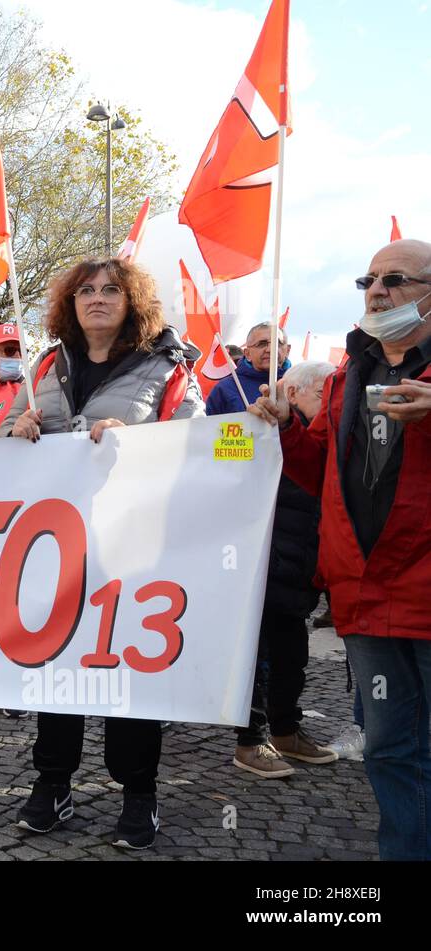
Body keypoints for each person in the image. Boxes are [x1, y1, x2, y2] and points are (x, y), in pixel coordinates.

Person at [0, 257, 204, 850]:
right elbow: (6, 432)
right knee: (58, 665)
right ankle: (52, 782)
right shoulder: (46, 364)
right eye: (86, 290)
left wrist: (139, 440)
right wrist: (19, 428)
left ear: (132, 300)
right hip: (57, 548)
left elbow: (193, 443)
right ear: (70, 303)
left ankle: (139, 792)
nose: (97, 298)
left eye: (111, 289)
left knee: (125, 672)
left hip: (131, 549)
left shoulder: (168, 369)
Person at [249, 238, 431, 861]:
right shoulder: (347, 375)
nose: (378, 290)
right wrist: (287, 429)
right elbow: (321, 467)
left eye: (396, 279)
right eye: (370, 280)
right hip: (367, 602)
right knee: (387, 748)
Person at [217, 360, 338, 779]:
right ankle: (251, 741)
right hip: (264, 563)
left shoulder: (328, 438)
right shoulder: (261, 429)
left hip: (301, 565)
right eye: (324, 395)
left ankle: (287, 730)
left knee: (292, 656)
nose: (331, 403)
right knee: (256, 656)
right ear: (292, 394)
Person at [205, 322, 290, 415]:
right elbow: (211, 427)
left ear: (288, 350)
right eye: (261, 344)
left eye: (277, 343)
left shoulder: (301, 384)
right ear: (247, 353)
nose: (270, 349)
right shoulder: (225, 389)